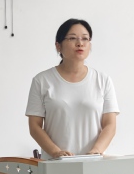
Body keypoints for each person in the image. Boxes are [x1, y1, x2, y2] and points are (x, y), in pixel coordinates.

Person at [25, 18, 119, 159]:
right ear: (58, 46)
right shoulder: (42, 81)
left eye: (85, 39)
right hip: (55, 163)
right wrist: (56, 152)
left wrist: (96, 151)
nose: (80, 43)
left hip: (93, 162)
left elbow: (110, 124)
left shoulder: (103, 80)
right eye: (72, 38)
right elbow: (35, 126)